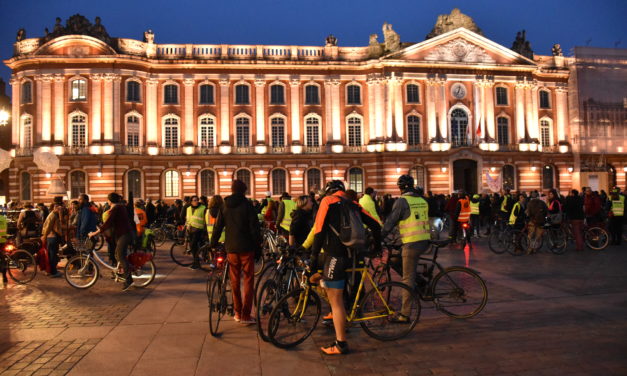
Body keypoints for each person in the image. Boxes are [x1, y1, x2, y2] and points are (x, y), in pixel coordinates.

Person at [309, 180, 381, 355]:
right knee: (340, 296)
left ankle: (341, 343)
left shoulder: (327, 202)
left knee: (336, 302)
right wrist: (376, 248)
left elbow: (318, 233)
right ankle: (344, 319)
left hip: (335, 256)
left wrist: (312, 263)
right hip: (355, 256)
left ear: (329, 192)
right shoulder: (353, 204)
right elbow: (375, 225)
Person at [210, 179, 262, 325]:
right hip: (247, 248)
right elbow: (254, 229)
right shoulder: (248, 205)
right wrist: (258, 247)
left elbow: (218, 227)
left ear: (232, 190)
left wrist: (212, 244)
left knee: (234, 281)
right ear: (244, 190)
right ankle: (246, 315)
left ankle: (237, 313)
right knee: (248, 280)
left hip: (231, 248)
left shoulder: (224, 205)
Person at [381, 175, 429, 322]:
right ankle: (420, 282)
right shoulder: (422, 200)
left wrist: (378, 237)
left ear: (400, 188)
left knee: (407, 279)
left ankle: (404, 315)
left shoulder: (402, 201)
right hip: (424, 240)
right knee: (396, 260)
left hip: (412, 243)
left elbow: (390, 222)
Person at [89, 193, 134, 290]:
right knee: (117, 255)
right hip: (124, 234)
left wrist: (95, 233)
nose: (107, 201)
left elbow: (108, 223)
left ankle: (129, 279)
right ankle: (122, 272)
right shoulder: (120, 207)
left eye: (107, 200)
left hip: (124, 235)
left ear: (110, 201)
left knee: (120, 255)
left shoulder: (116, 209)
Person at [41, 203, 64, 277]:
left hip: (52, 237)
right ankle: (53, 272)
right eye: (60, 209)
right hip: (52, 237)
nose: (61, 211)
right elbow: (48, 227)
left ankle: (51, 271)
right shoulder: (52, 215)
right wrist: (44, 236)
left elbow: (60, 222)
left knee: (52, 255)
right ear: (56, 208)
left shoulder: (54, 215)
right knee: (52, 255)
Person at [186, 195, 207, 270]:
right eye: (194, 200)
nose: (196, 201)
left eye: (197, 200)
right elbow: (188, 219)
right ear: (191, 201)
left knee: (192, 245)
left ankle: (197, 262)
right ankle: (196, 262)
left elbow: (205, 220)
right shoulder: (188, 209)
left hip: (199, 230)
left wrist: (205, 230)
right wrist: (187, 227)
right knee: (193, 247)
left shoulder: (203, 208)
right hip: (190, 230)